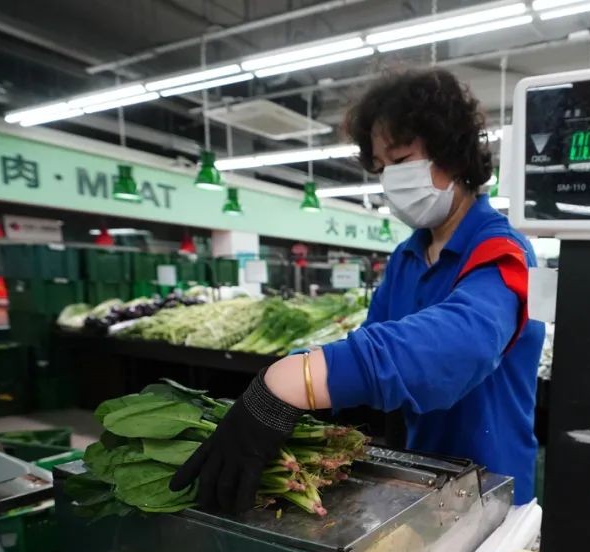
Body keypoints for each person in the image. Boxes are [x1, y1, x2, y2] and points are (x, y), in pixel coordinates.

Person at [171, 68, 544, 511]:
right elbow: (373, 344)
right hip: (427, 479)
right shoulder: (407, 258)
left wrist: (293, 381)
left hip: (492, 491)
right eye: (381, 168)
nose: (389, 180)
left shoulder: (503, 252)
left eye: (401, 161)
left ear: (454, 155)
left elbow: (460, 346)